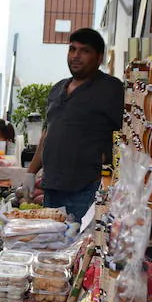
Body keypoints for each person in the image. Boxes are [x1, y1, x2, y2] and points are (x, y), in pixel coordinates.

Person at [27, 28, 123, 222]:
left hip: (86, 191)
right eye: (72, 49)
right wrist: (30, 173)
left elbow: (127, 136)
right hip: (52, 189)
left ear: (99, 57)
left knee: (79, 248)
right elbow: (47, 133)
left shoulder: (111, 89)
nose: (76, 56)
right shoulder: (57, 89)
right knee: (51, 248)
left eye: (84, 51)